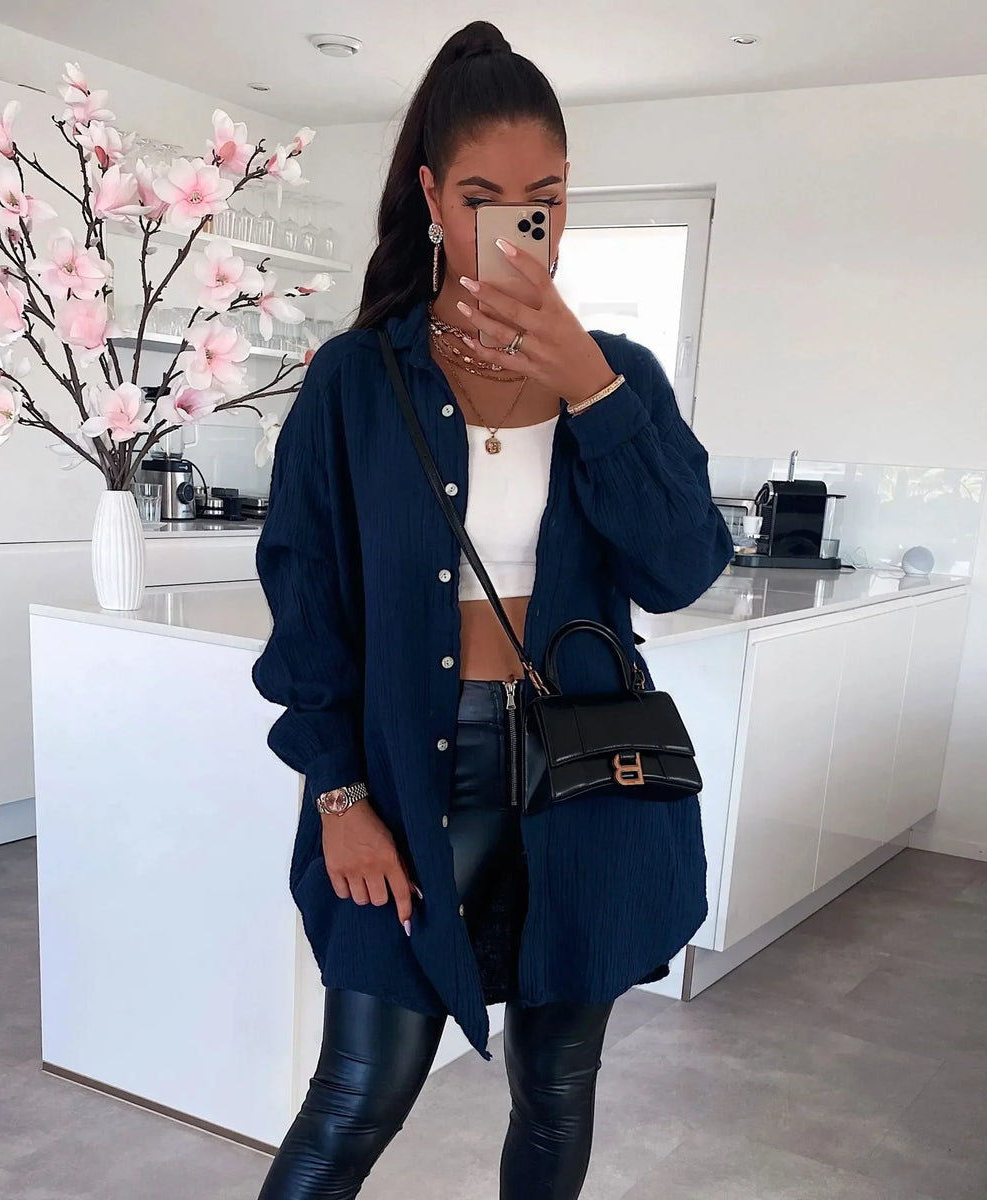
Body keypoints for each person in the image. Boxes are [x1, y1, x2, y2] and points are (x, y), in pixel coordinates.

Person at [249, 19, 733, 1200]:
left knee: (557, 1090)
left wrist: (589, 387)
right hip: (408, 774)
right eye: (482, 200)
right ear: (430, 196)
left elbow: (680, 569)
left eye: (544, 202)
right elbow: (305, 608)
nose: (520, 228)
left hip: (581, 774)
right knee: (357, 1095)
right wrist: (338, 795)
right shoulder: (354, 381)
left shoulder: (617, 373)